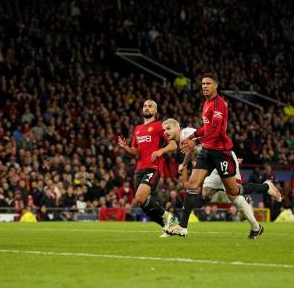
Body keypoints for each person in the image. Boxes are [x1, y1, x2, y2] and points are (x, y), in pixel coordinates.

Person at [164, 73, 281, 239]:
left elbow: (216, 131)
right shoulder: (207, 103)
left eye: (208, 83)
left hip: (221, 153)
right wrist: (194, 136)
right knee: (192, 185)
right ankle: (183, 227)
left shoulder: (219, 105)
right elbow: (206, 128)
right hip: (207, 152)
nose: (204, 86)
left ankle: (266, 187)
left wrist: (195, 141)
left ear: (216, 85)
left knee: (233, 191)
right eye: (203, 83)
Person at [117, 99, 177, 236]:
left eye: (150, 106)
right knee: (140, 201)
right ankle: (167, 225)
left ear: (155, 111)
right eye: (145, 106)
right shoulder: (138, 129)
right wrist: (125, 147)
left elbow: (173, 145)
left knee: (140, 196)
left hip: (154, 167)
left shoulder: (160, 126)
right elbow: (135, 152)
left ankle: (168, 216)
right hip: (140, 169)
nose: (147, 108)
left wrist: (160, 151)